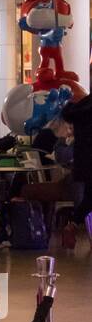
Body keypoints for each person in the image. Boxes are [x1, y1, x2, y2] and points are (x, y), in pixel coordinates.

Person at [60, 92, 92, 243]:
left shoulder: (82, 106)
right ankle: (72, 225)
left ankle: (72, 225)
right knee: (89, 198)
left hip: (83, 162)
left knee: (89, 197)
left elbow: (67, 112)